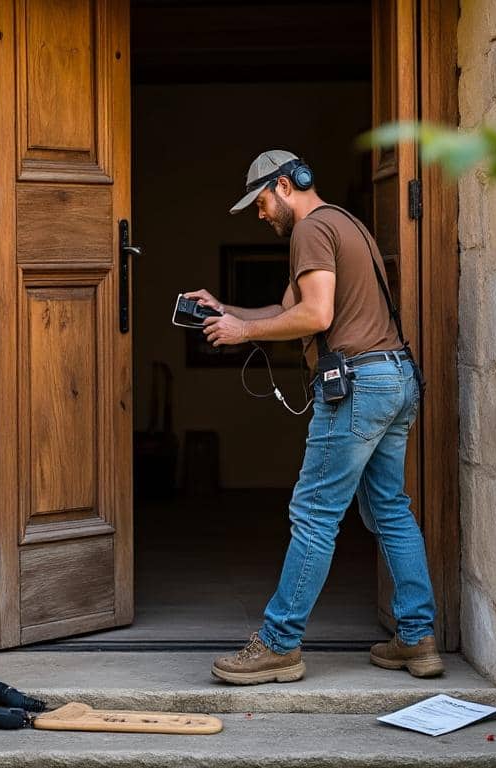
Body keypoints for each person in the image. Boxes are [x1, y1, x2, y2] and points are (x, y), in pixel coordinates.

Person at [186, 150, 443, 684]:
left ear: (285, 185)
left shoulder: (308, 230)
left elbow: (317, 315)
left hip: (358, 386)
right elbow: (288, 312)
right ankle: (417, 639)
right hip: (394, 377)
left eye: (260, 203)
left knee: (314, 515)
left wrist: (244, 333)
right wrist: (226, 312)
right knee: (390, 510)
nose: (260, 215)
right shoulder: (346, 224)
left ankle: (279, 643)